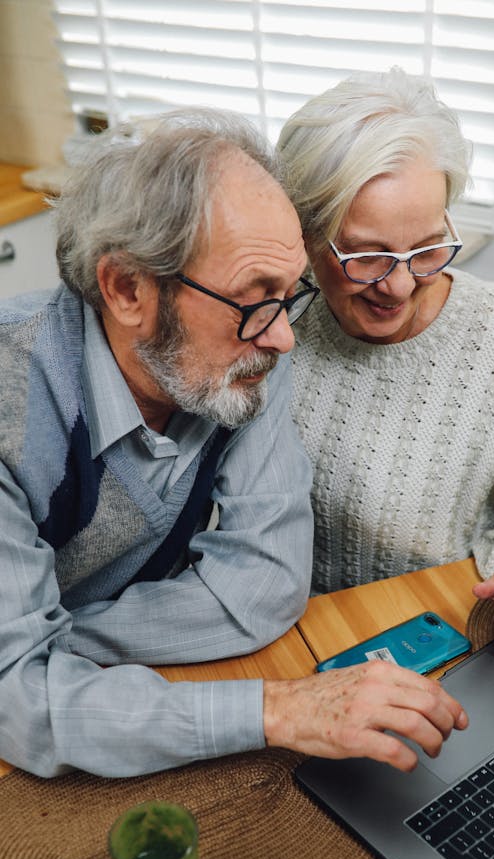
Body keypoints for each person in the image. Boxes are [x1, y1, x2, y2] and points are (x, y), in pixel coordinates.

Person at [0, 107, 466, 779]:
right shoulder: (14, 405)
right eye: (253, 300)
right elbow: (23, 706)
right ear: (127, 287)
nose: (283, 337)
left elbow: (265, 589)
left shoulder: (239, 362)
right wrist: (272, 711)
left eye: (288, 295)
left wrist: (55, 644)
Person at [278, 68, 494, 635]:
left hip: (440, 629)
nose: (400, 286)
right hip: (284, 627)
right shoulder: (273, 320)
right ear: (306, 238)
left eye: (426, 248)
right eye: (367, 256)